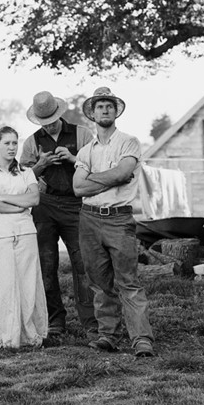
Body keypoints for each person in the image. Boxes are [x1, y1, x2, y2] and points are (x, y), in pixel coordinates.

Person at [73, 86, 156, 358]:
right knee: (99, 282)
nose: (104, 110)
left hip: (119, 219)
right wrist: (112, 178)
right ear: (92, 114)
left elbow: (123, 172)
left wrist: (95, 179)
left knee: (128, 282)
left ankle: (141, 339)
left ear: (116, 111)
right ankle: (108, 335)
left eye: (109, 105)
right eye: (99, 106)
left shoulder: (129, 142)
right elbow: (77, 189)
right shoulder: (86, 150)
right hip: (89, 219)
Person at [19, 91, 98, 339]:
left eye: (52, 119)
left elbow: (97, 166)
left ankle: (90, 321)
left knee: (83, 263)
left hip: (76, 204)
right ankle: (55, 319)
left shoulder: (82, 133)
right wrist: (41, 164)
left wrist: (73, 158)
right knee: (46, 263)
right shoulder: (32, 141)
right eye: (44, 122)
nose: (49, 125)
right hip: (44, 205)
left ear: (59, 113)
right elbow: (22, 177)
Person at [0, 126, 48, 348]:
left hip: (25, 232)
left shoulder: (26, 172)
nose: (11, 147)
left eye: (14, 143)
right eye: (6, 143)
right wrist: (17, 206)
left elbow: (34, 198)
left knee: (28, 282)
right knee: (4, 283)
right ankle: (6, 337)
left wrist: (4, 198)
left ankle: (31, 335)